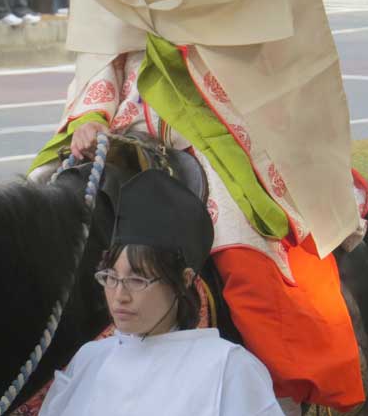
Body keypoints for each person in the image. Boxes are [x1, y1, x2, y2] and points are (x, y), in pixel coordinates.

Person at [14, 0, 368, 414]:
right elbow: (106, 38)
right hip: (129, 120)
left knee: (240, 246)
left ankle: (293, 393)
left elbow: (260, 48)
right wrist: (91, 110)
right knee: (32, 210)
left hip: (221, 119)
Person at [39, 170, 284, 416]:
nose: (119, 295)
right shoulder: (89, 361)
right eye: (111, 278)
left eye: (137, 280)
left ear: (184, 280)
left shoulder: (228, 367)